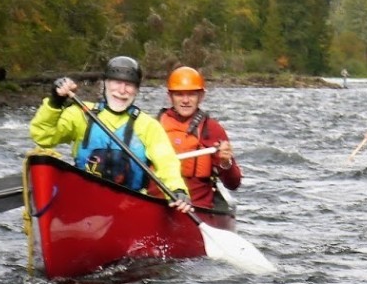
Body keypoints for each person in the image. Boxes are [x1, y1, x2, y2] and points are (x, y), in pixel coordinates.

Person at [30, 56, 193, 216]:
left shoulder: (148, 125)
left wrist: (177, 190)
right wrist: (55, 102)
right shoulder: (82, 114)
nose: (122, 90)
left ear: (136, 90)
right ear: (104, 84)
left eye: (129, 85)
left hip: (129, 208)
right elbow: (43, 137)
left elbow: (167, 163)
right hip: (84, 204)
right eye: (116, 82)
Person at [157, 66, 242, 210]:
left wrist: (225, 163)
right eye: (179, 94)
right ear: (169, 96)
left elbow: (233, 184)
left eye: (191, 94)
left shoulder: (212, 129)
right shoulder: (155, 125)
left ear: (201, 96)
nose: (185, 100)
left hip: (197, 208)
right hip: (158, 203)